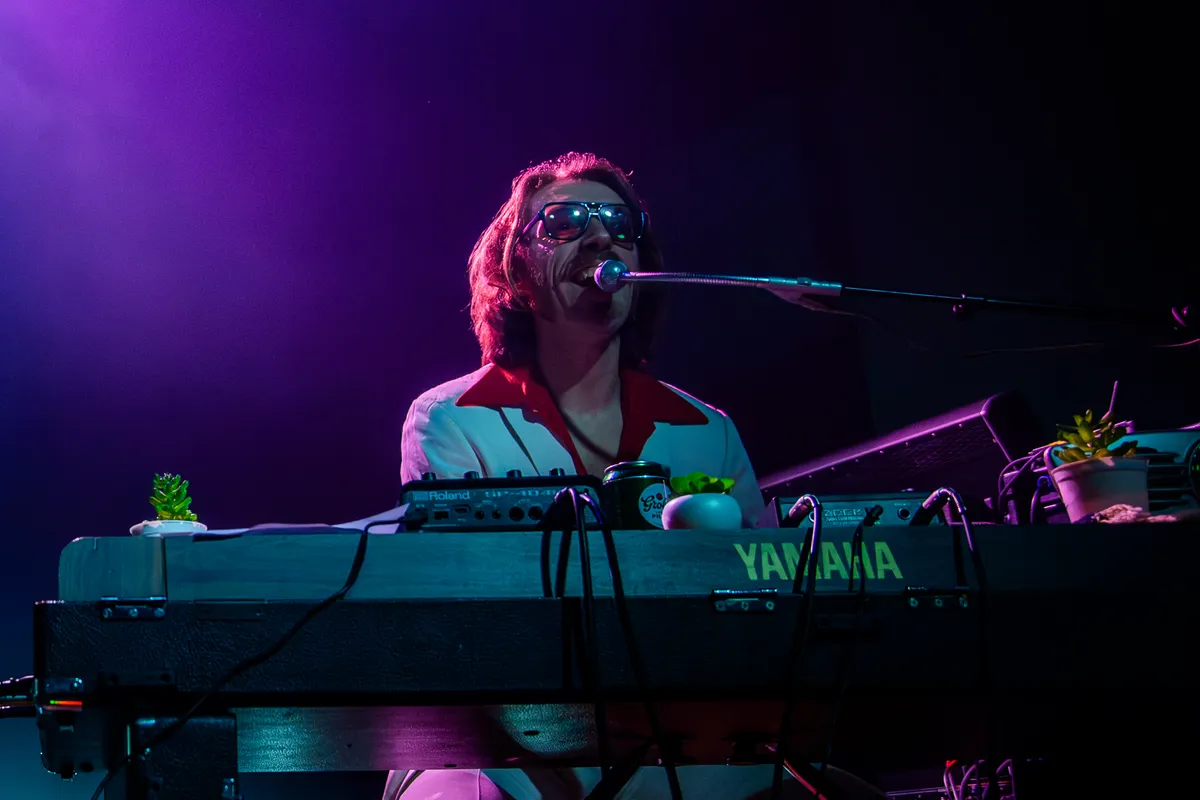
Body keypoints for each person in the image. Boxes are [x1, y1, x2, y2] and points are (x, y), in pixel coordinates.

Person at [387, 153, 879, 799]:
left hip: (685, 739)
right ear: (516, 269)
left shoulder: (705, 429)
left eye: (621, 224)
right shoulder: (452, 418)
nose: (601, 236)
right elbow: (468, 622)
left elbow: (759, 606)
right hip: (506, 742)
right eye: (564, 221)